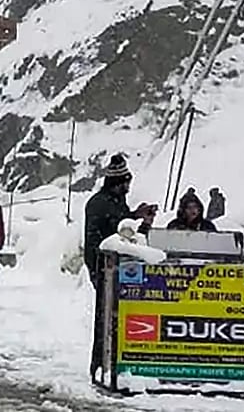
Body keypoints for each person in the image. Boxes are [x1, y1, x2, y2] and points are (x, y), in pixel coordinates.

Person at [84, 153, 158, 382]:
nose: (128, 187)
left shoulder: (115, 202)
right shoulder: (99, 204)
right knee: (105, 317)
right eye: (126, 183)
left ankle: (113, 362)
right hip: (104, 267)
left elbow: (123, 228)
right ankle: (101, 364)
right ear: (118, 183)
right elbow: (108, 234)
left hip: (117, 268)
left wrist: (138, 219)